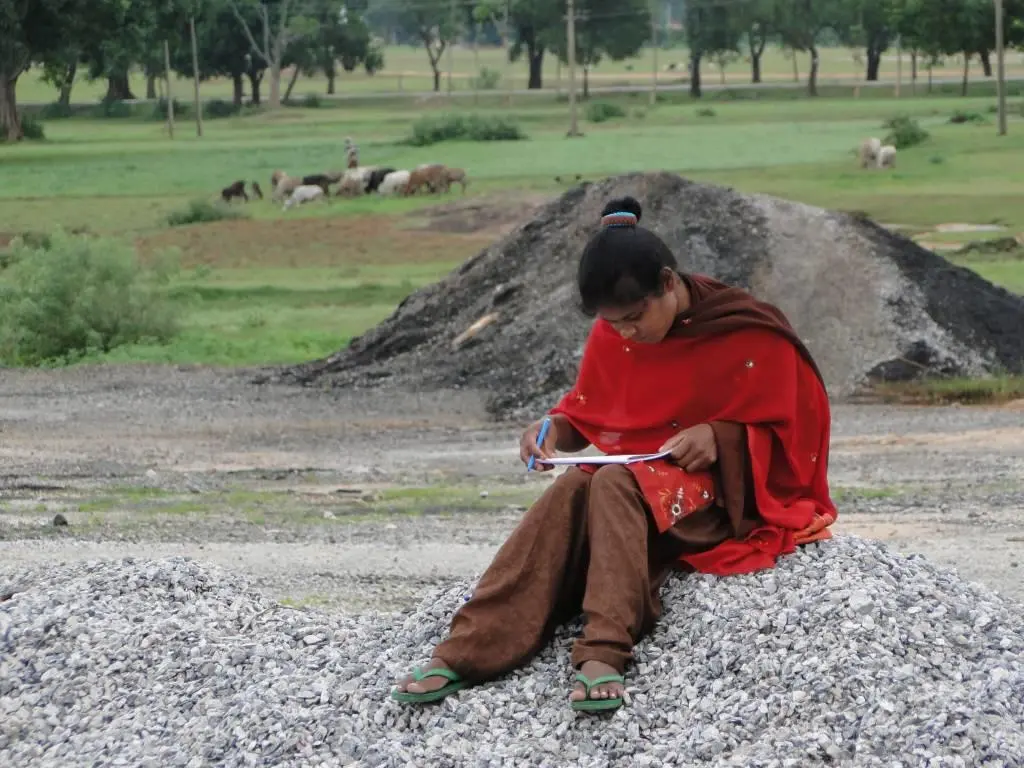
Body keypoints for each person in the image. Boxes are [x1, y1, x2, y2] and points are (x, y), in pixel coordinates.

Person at [391, 196, 837, 713]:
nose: (626, 333)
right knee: (574, 484)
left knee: (613, 483)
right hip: (642, 482)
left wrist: (721, 437)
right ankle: (470, 646)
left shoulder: (746, 330)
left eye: (634, 318)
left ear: (667, 283)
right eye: (614, 323)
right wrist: (550, 428)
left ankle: (604, 650)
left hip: (725, 495)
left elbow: (797, 429)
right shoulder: (617, 331)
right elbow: (586, 415)